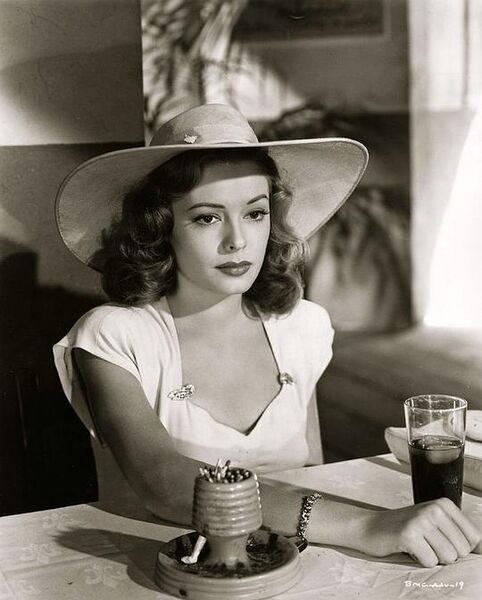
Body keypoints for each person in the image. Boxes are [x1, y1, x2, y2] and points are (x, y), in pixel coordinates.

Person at [53, 103, 481, 568]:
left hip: (291, 564)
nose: (237, 241)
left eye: (255, 214)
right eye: (207, 217)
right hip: (163, 570)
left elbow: (314, 473)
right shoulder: (114, 335)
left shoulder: (302, 327)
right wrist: (366, 526)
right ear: (161, 227)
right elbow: (164, 483)